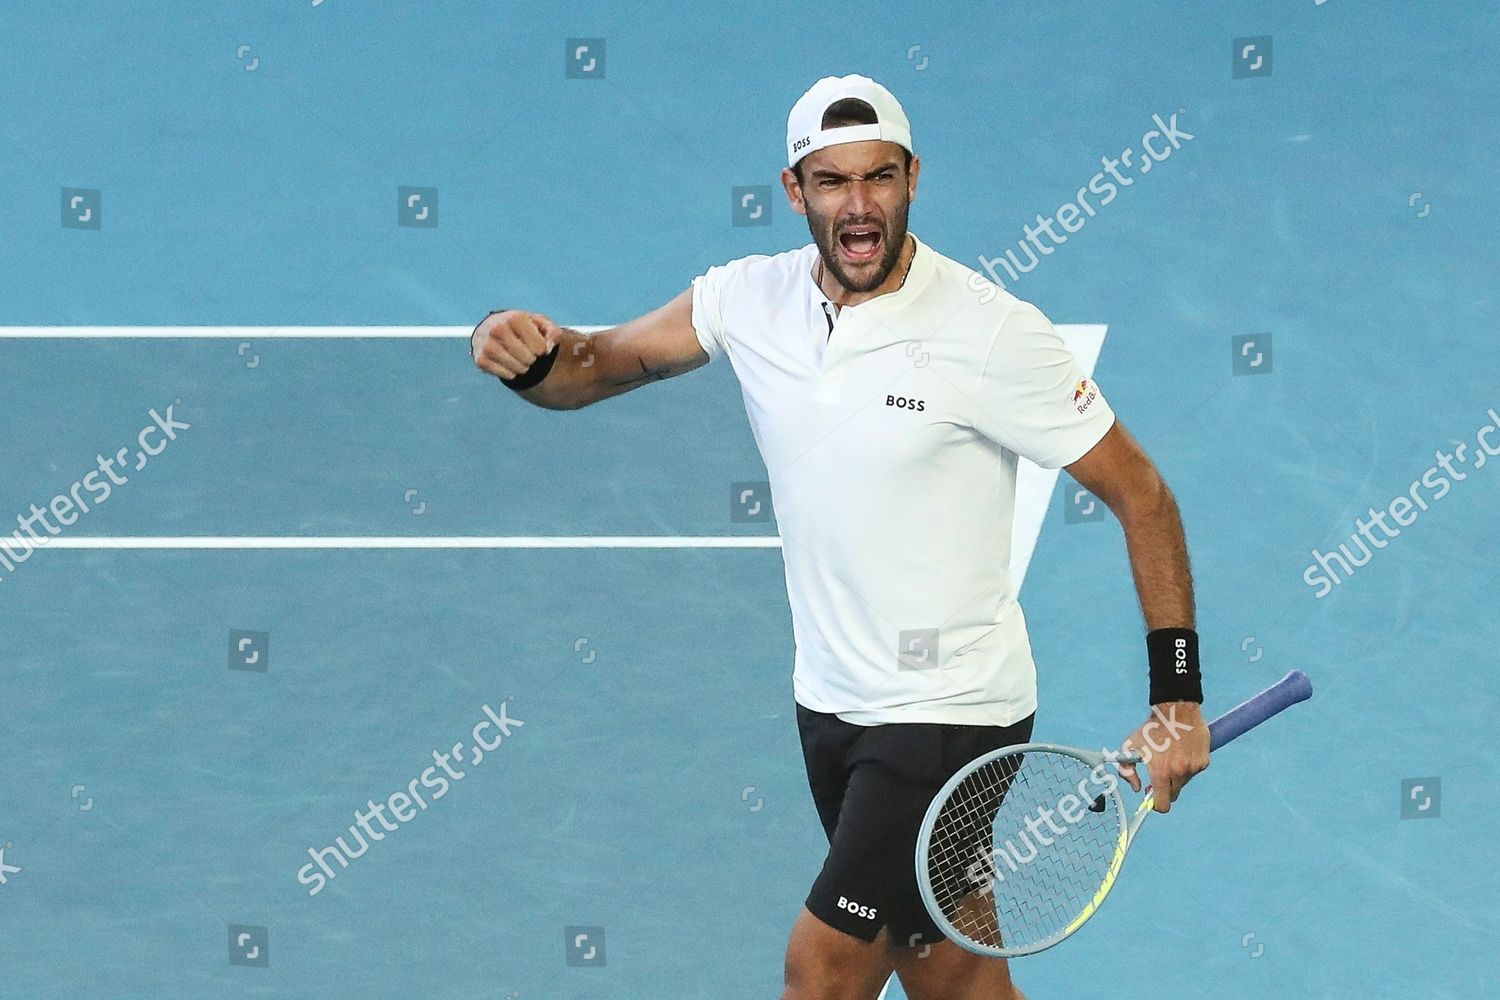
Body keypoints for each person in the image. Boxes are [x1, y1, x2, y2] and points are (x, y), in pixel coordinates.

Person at [471, 73, 1210, 1000]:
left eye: (879, 178)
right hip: (831, 702)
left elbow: (1142, 493)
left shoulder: (989, 334)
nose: (858, 206)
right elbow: (593, 366)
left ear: (911, 179)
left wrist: (1177, 695)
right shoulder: (746, 300)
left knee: (821, 974)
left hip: (950, 710)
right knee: (949, 973)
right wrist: (527, 355)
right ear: (795, 191)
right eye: (831, 182)